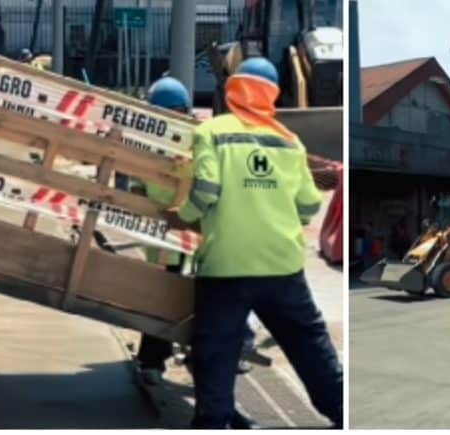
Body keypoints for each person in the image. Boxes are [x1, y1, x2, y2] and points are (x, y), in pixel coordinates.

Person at [179, 57, 342, 429]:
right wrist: (280, 220)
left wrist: (185, 214)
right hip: (282, 265)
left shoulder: (212, 131)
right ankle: (341, 411)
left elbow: (205, 191)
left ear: (232, 89)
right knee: (309, 345)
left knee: (217, 350)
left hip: (226, 265)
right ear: (272, 95)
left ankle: (213, 420)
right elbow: (309, 204)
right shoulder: (289, 142)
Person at [133, 79, 259, 401]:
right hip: (186, 231)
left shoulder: (151, 141)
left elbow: (139, 186)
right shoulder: (200, 138)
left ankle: (156, 360)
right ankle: (177, 357)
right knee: (196, 292)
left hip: (173, 231)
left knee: (165, 297)